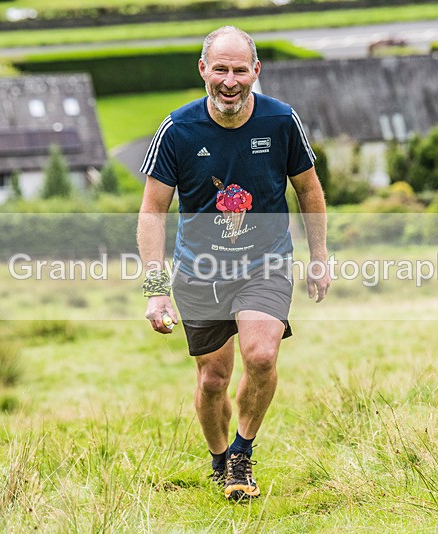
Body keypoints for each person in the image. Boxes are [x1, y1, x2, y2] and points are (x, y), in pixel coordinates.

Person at [137, 26, 331, 501]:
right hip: (199, 272)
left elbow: (308, 189)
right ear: (203, 69)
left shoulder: (281, 121)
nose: (230, 80)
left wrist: (319, 258)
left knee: (261, 356)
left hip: (265, 262)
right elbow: (152, 211)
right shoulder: (177, 130)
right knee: (212, 381)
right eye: (219, 69)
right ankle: (220, 458)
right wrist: (155, 288)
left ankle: (243, 452)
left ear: (255, 71)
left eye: (239, 69)